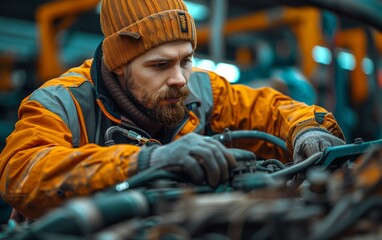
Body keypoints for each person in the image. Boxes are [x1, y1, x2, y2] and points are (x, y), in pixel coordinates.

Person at [0, 0, 345, 220]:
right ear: (119, 66)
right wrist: (145, 163)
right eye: (160, 65)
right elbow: (22, 172)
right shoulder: (61, 102)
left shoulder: (204, 89)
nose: (180, 79)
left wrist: (308, 130)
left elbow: (271, 109)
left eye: (186, 60)